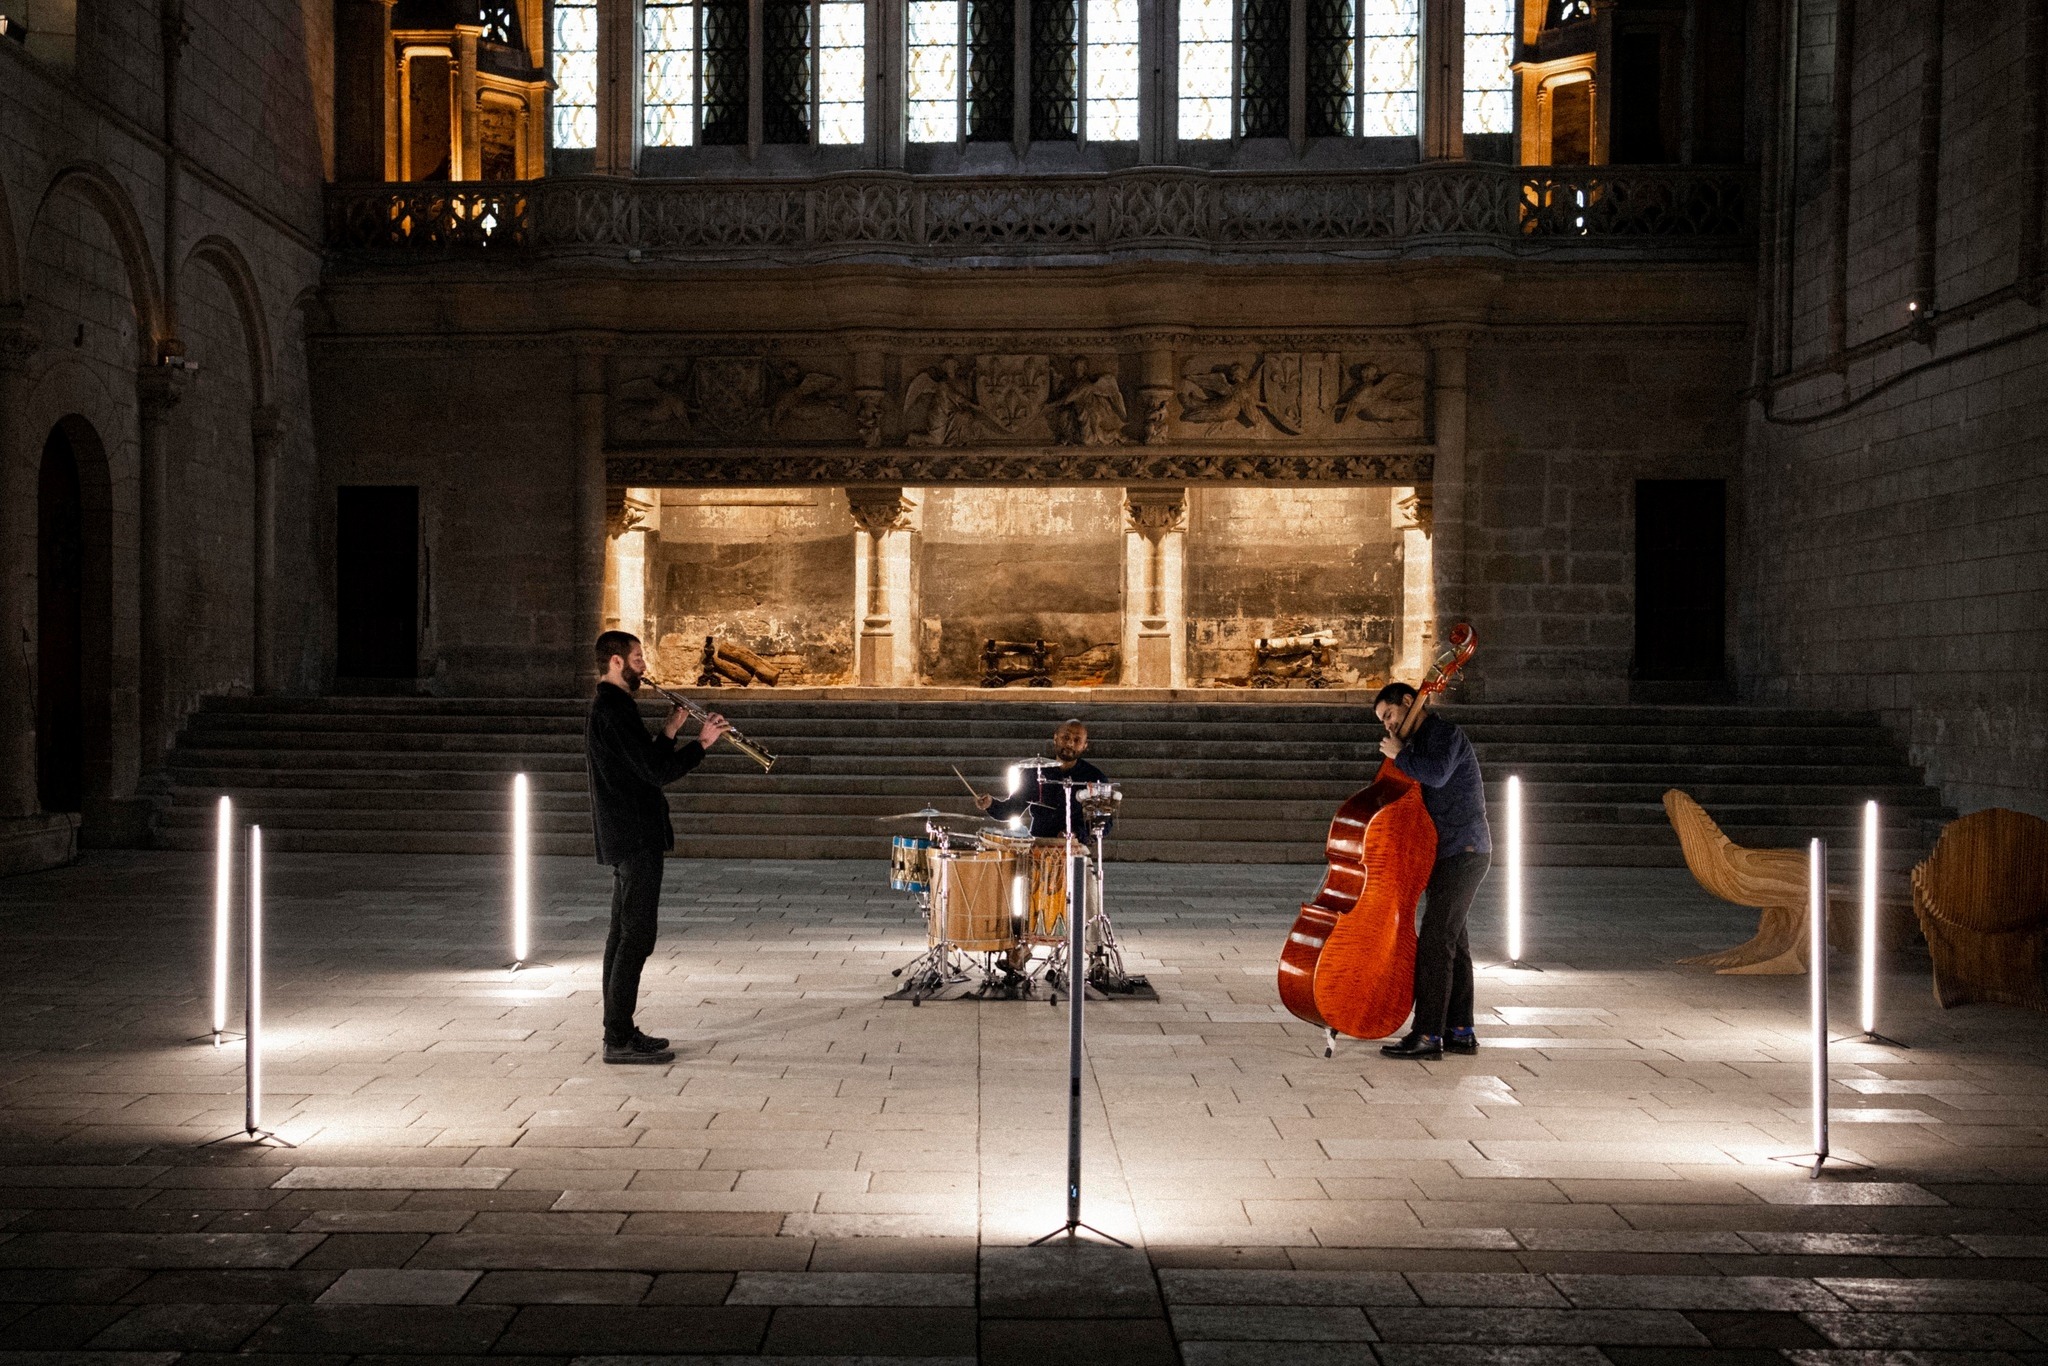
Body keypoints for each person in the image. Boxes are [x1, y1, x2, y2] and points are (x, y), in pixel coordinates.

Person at [585, 630, 731, 1065]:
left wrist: (669, 728)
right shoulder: (614, 709)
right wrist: (702, 743)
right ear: (615, 662)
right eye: (637, 658)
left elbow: (639, 763)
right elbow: (655, 772)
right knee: (636, 937)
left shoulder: (611, 708)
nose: (643, 665)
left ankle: (620, 1029)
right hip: (634, 835)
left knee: (622, 935)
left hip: (628, 833)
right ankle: (618, 1038)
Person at [1372, 681, 1492, 1061]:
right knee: (1455, 942)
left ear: (1410, 702)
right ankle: (1460, 1030)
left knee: (1435, 941)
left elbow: (1437, 774)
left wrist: (1399, 755)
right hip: (1442, 854)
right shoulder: (1417, 744)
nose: (1388, 727)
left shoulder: (1444, 734)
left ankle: (1427, 1035)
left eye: (1389, 715)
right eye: (1383, 722)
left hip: (1465, 850)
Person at [976, 719, 1108, 838]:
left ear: (1085, 745)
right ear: (1055, 738)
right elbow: (1012, 808)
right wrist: (990, 803)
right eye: (1065, 737)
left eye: (1077, 740)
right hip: (1038, 843)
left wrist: (1076, 833)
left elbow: (1105, 823)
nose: (1069, 744)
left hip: (1076, 847)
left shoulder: (1095, 777)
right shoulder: (1035, 771)